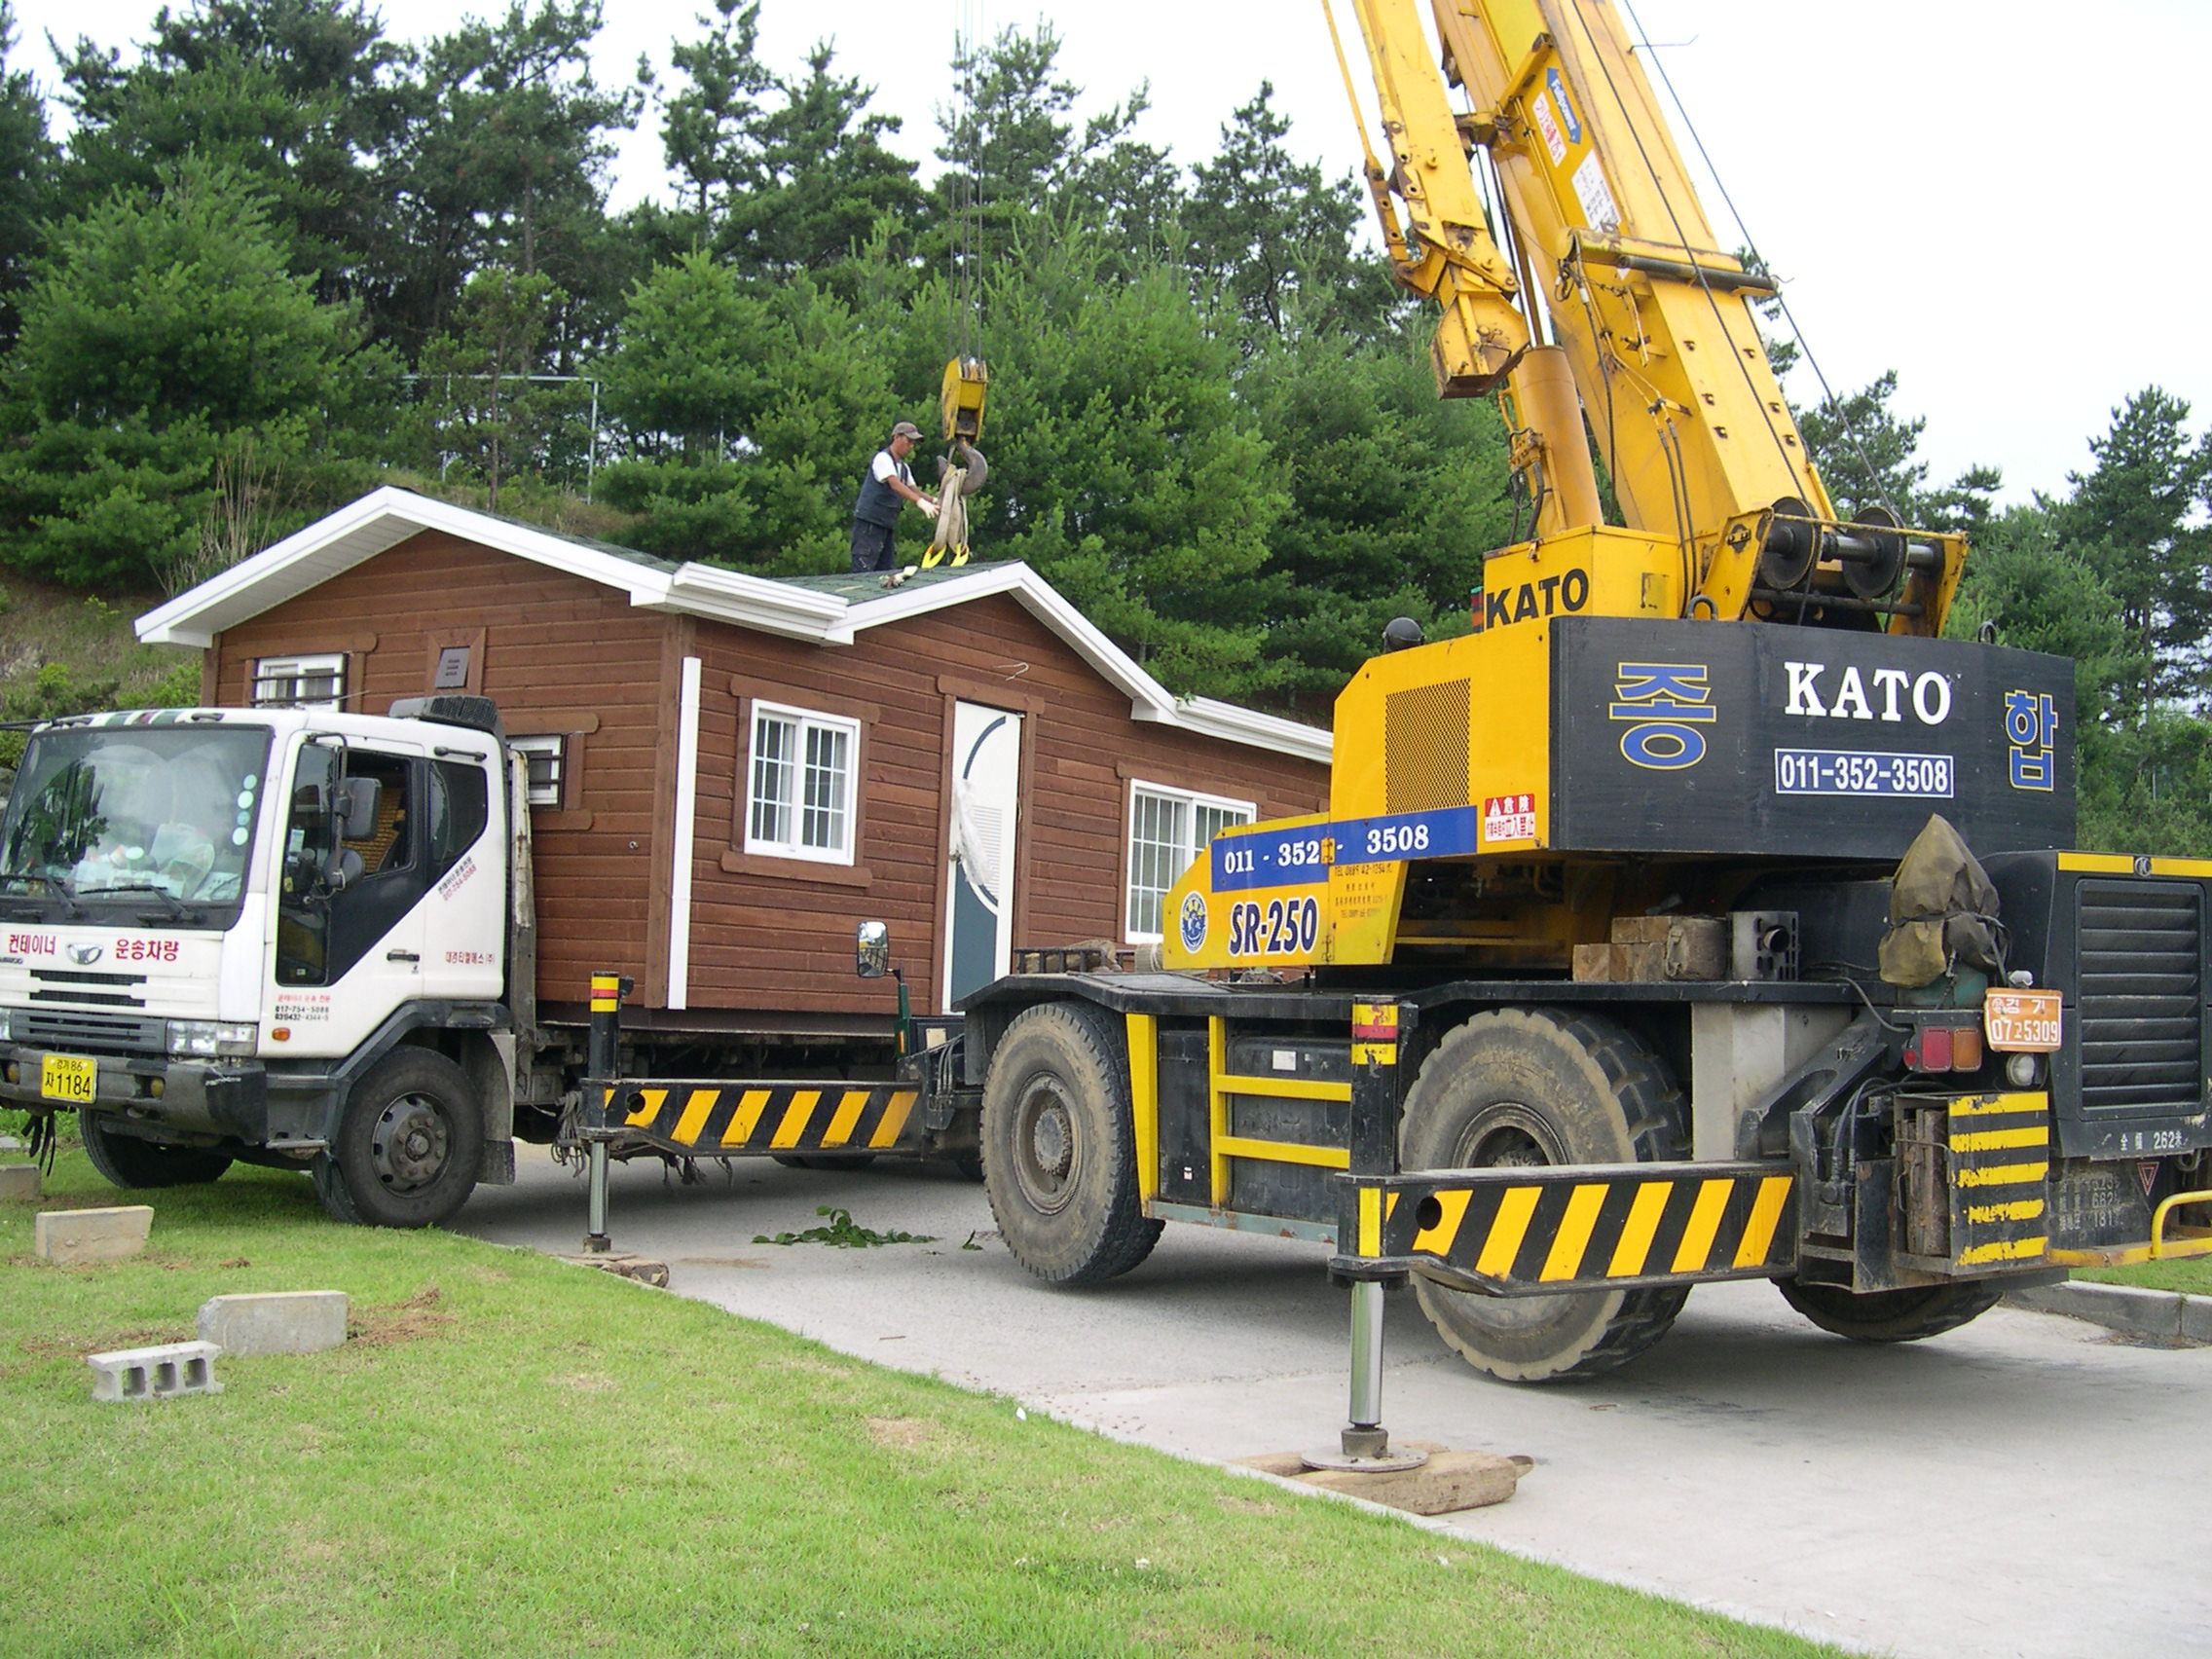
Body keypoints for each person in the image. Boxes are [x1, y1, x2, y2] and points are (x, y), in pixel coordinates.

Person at [850, 420, 939, 573]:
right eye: (908, 441)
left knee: (886, 572)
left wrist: (935, 501)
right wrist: (920, 503)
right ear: (896, 437)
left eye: (913, 443)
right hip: (870, 525)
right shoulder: (882, 458)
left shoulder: (903, 468)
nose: (911, 446)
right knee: (864, 570)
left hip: (886, 525)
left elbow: (914, 491)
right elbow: (895, 484)